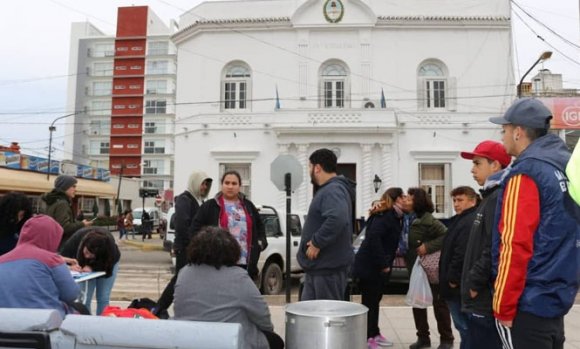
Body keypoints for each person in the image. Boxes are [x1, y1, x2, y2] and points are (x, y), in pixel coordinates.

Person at [489, 98, 579, 348]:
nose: (503, 136)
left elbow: (514, 245)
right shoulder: (565, 165)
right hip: (555, 297)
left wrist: (503, 306)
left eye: (504, 130)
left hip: (526, 303)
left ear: (518, 132)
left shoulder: (527, 172)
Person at [174, 226, 283, 349]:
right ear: (231, 251)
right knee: (276, 341)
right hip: (231, 341)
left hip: (188, 340)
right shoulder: (238, 277)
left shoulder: (184, 273)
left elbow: (179, 309)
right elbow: (262, 315)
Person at [460, 140, 511, 349]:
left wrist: (474, 283)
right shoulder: (489, 197)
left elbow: (494, 246)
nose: (472, 170)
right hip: (478, 298)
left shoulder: (498, 197)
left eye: (477, 163)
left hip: (483, 299)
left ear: (495, 165)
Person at [297, 148, 356, 301]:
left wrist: (317, 242)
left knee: (326, 318)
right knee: (311, 318)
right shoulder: (331, 189)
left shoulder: (333, 190)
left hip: (327, 270)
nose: (309, 171)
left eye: (310, 167)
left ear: (317, 168)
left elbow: (337, 218)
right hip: (320, 268)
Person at [190, 170, 266, 279]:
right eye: (227, 183)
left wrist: (259, 244)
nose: (230, 186)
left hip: (245, 264)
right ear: (222, 185)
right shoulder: (210, 206)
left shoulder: (248, 206)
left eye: (234, 183)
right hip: (218, 264)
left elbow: (260, 227)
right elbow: (194, 230)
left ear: (240, 186)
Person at [155, 171, 212, 317]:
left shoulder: (199, 200)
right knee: (180, 279)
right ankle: (159, 308)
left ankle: (163, 308)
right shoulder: (184, 199)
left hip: (196, 249)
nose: (204, 187)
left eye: (206, 184)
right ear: (195, 182)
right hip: (187, 249)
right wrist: (193, 244)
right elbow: (182, 225)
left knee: (188, 280)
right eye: (202, 183)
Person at [353, 187, 404, 349]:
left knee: (375, 301)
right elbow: (373, 239)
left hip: (378, 267)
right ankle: (367, 338)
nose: (405, 200)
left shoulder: (395, 216)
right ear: (395, 200)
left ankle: (374, 333)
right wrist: (383, 264)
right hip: (371, 267)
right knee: (369, 303)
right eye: (402, 197)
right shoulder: (385, 216)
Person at [0, 215, 80, 318]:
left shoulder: (2, 260)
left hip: (7, 323)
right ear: (52, 237)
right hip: (44, 322)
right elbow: (71, 294)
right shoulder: (51, 259)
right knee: (81, 309)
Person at [404, 187, 453, 349]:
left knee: (439, 304)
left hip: (431, 269)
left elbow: (447, 236)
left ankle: (447, 340)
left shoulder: (429, 220)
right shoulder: (406, 218)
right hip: (416, 269)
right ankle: (423, 339)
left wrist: (428, 246)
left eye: (409, 198)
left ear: (417, 202)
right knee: (418, 305)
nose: (405, 200)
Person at [438, 186, 479, 349]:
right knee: (463, 326)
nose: (456, 204)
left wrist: (453, 279)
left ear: (472, 200)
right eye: (454, 200)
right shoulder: (460, 219)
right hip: (456, 284)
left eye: (460, 200)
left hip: (458, 285)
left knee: (464, 326)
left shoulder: (468, 221)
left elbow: (461, 253)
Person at [59, 227, 120, 315]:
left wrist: (93, 267)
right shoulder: (76, 239)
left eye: (91, 255)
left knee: (103, 297)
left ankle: (103, 324)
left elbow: (109, 268)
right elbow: (59, 259)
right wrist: (70, 267)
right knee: (84, 298)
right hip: (84, 269)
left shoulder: (110, 249)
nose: (87, 256)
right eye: (86, 252)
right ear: (84, 245)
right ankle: (86, 323)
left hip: (105, 265)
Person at [42, 175, 92, 246]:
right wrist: (82, 224)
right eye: (73, 186)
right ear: (65, 187)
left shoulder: (53, 201)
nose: (75, 189)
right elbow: (65, 228)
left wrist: (78, 222)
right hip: (62, 244)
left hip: (52, 242)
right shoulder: (62, 203)